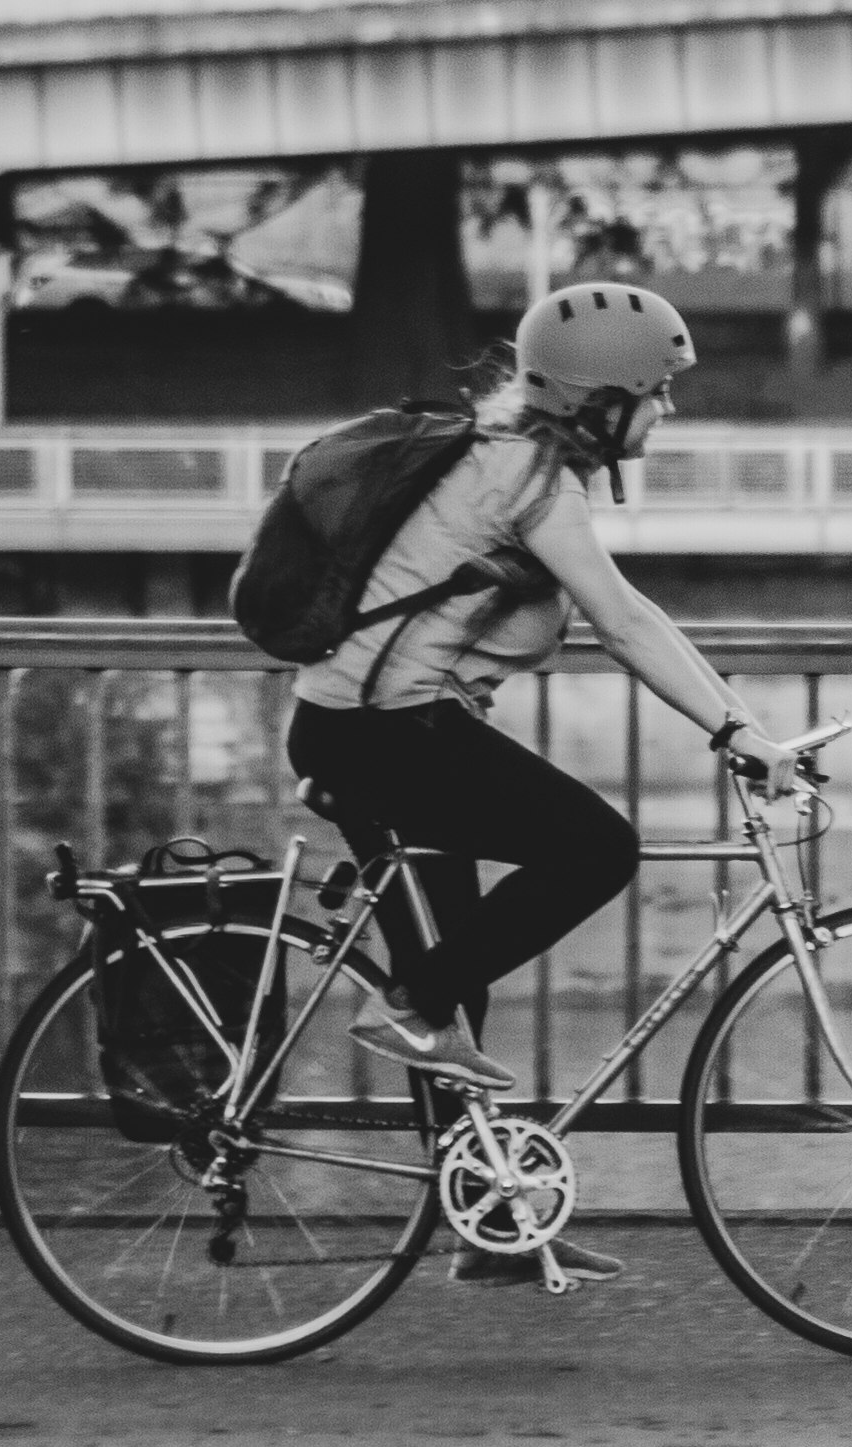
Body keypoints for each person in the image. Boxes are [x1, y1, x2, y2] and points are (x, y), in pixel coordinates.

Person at [285, 281, 795, 1282]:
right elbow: (625, 620)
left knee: (455, 985)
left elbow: (631, 614)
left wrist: (741, 727)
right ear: (600, 402)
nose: (669, 410)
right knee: (595, 848)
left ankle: (490, 1221)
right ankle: (408, 1006)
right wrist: (743, 733)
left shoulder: (505, 454)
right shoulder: (533, 478)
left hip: (362, 728)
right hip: (386, 736)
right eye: (658, 392)